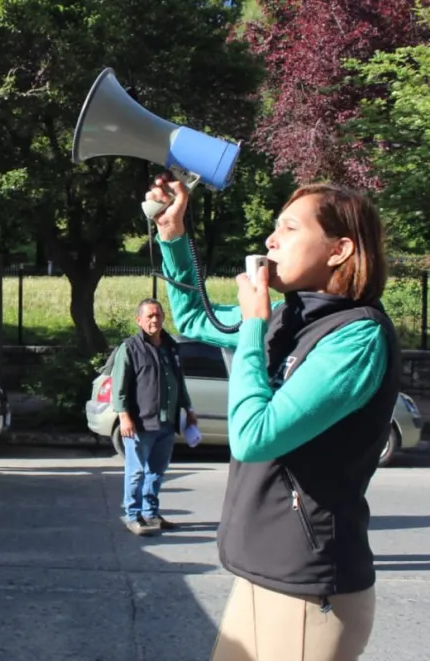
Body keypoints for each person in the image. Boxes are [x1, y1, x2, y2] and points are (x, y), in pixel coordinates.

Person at [149, 175, 399, 660]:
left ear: (339, 249)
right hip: (264, 570)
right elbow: (199, 321)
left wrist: (256, 323)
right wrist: (174, 236)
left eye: (289, 227)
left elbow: (252, 436)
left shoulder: (357, 337)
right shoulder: (294, 317)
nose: (270, 240)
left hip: (308, 584)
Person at [111, 298, 194, 536]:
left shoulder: (171, 346)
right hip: (140, 423)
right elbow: (120, 388)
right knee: (136, 472)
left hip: (166, 422)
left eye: (158, 315)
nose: (154, 320)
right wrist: (124, 417)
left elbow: (179, 381)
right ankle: (133, 515)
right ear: (139, 320)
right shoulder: (130, 348)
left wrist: (188, 410)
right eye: (149, 316)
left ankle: (151, 513)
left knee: (157, 472)